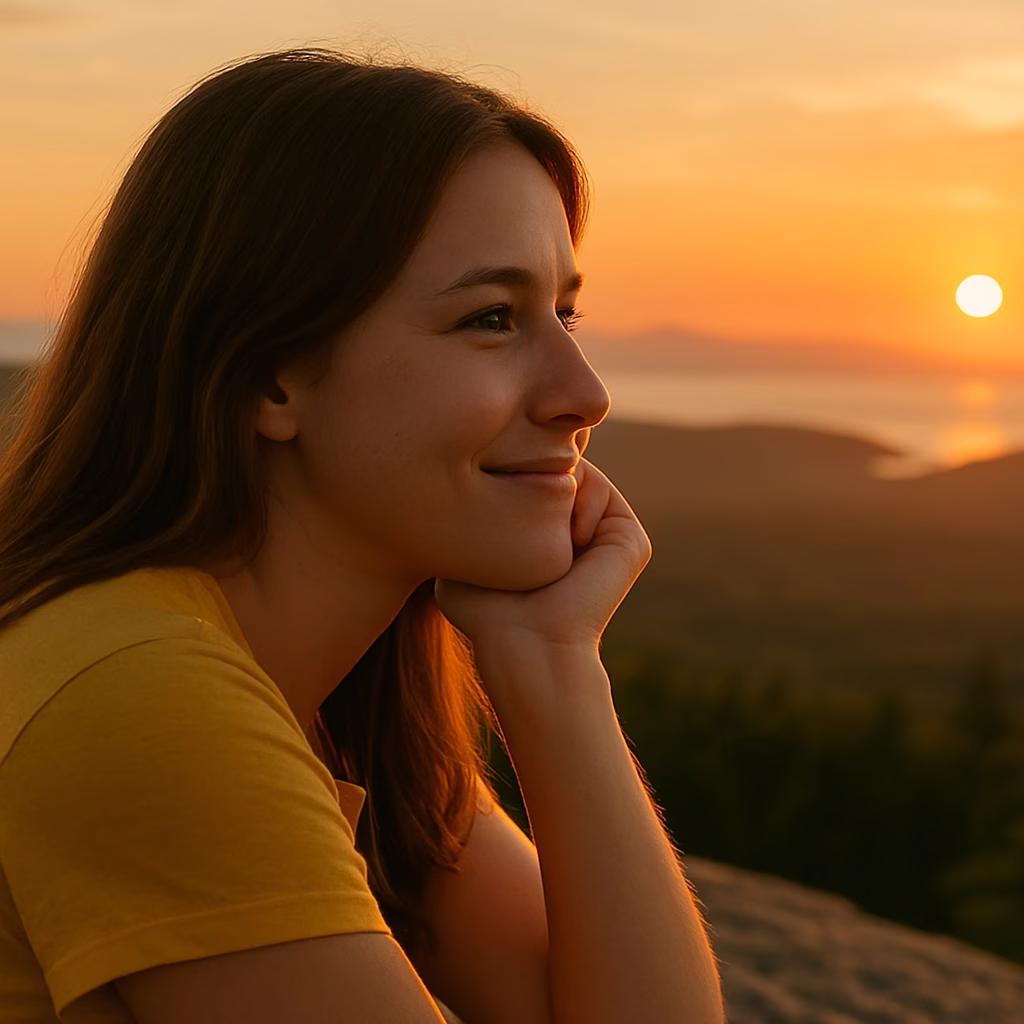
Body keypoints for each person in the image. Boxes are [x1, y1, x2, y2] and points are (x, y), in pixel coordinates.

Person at [0, 48, 724, 1024]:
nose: (584, 393)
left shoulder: (332, 706)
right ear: (271, 379)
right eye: (493, 318)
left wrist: (550, 661)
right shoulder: (137, 690)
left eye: (565, 310)